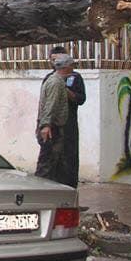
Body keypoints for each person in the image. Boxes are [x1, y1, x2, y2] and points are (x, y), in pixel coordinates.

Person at [43, 46, 87, 187]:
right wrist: (45, 124)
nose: (57, 61)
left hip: (69, 124)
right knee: (50, 160)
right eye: (54, 59)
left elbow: (81, 99)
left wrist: (66, 91)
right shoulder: (51, 79)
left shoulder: (75, 77)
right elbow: (47, 104)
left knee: (69, 158)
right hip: (53, 125)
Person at [36, 54, 75, 184]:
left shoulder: (57, 80)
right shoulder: (56, 82)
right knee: (47, 162)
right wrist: (46, 125)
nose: (73, 68)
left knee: (55, 162)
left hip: (55, 127)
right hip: (53, 128)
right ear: (66, 66)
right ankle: (40, 190)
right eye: (72, 65)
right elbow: (50, 104)